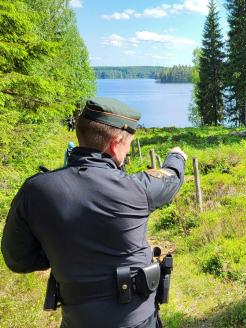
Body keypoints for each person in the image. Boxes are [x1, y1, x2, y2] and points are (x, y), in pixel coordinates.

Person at [1, 97, 187, 328]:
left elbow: (18, 260)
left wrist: (64, 253)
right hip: (137, 320)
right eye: (127, 145)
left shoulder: (35, 190)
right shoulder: (136, 189)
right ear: (116, 143)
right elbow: (171, 179)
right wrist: (177, 156)